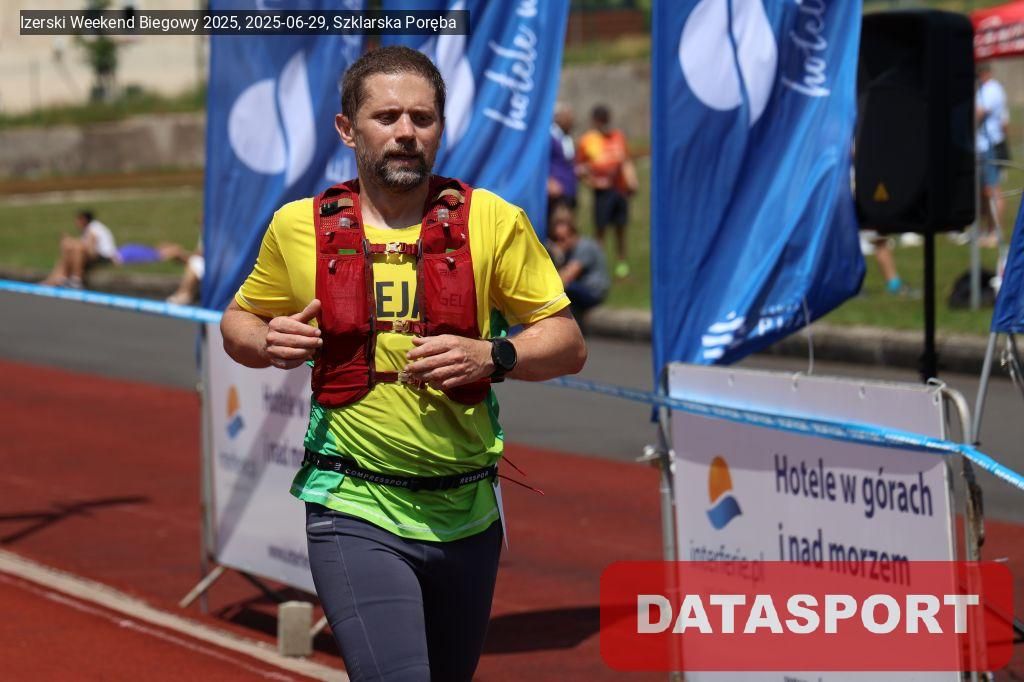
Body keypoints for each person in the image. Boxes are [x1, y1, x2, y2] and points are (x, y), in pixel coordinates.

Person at [219, 46, 586, 682]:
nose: (406, 133)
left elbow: (567, 343)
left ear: (441, 127)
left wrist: (492, 354)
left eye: (422, 117)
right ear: (347, 129)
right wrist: (264, 340)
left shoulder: (494, 221)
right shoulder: (299, 227)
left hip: (468, 511)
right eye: (386, 117)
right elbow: (238, 322)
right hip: (353, 504)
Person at [576, 104, 637, 279]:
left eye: (606, 120)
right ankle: (599, 266)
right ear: (595, 121)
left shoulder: (618, 136)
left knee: (621, 228)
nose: (604, 124)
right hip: (602, 193)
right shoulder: (587, 140)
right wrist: (593, 182)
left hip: (620, 189)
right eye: (601, 120)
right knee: (601, 230)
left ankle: (622, 266)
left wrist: (632, 181)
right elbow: (579, 168)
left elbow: (626, 160)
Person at [547, 207, 609, 322]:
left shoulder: (584, 247)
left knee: (567, 289)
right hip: (580, 288)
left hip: (592, 291)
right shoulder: (569, 251)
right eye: (556, 239)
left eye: (562, 239)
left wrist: (558, 256)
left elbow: (565, 279)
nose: (559, 243)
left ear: (572, 233)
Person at [40, 210, 118, 288]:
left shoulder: (93, 228)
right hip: (98, 256)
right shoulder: (91, 228)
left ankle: (75, 280)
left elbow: (91, 249)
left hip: (104, 258)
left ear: (83, 220)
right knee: (70, 249)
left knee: (76, 249)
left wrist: (71, 243)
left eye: (77, 220)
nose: (76, 223)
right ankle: (57, 279)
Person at [976, 62, 1008, 248]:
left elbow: (980, 113)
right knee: (985, 191)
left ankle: (996, 232)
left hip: (989, 145)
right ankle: (987, 230)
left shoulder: (991, 89)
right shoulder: (985, 89)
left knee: (993, 189)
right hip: (984, 145)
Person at [547, 101, 577, 213]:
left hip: (569, 190)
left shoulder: (567, 137)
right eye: (567, 116)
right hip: (554, 191)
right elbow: (540, 163)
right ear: (558, 118)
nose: (571, 119)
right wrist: (548, 181)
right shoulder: (549, 136)